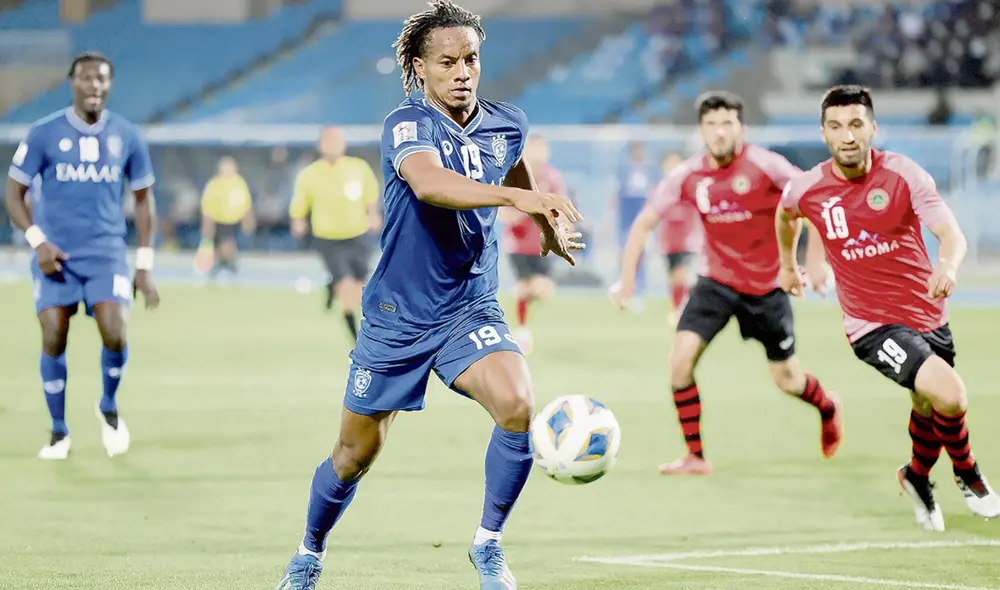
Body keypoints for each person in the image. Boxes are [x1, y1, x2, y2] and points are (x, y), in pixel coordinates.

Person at [275, 2, 583, 589]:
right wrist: (520, 203)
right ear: (420, 68)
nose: (463, 71)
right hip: (399, 314)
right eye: (448, 62)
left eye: (471, 59)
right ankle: (309, 553)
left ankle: (488, 545)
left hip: (470, 305)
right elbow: (430, 184)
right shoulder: (406, 125)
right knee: (353, 455)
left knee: (518, 405)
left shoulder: (506, 121)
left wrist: (543, 222)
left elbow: (514, 166)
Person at [777, 84, 1000, 530]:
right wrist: (788, 266)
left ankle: (916, 477)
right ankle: (969, 473)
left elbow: (951, 235)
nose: (848, 135)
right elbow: (786, 215)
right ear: (824, 133)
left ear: (873, 129)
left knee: (927, 404)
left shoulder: (904, 174)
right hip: (871, 325)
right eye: (836, 126)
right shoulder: (808, 187)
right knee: (951, 394)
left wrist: (949, 267)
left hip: (928, 315)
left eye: (857, 124)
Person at [611, 91, 841, 476]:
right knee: (679, 362)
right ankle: (695, 456)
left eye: (727, 123)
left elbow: (814, 202)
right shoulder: (688, 175)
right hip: (716, 282)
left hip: (768, 287)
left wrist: (813, 264)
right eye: (711, 125)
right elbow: (644, 223)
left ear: (742, 129)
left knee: (788, 380)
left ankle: (827, 406)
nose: (719, 132)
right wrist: (626, 280)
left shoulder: (766, 165)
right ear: (701, 131)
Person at [3, 51, 160, 460]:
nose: (94, 85)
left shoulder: (127, 136)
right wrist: (37, 241)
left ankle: (108, 405)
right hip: (55, 255)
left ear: (109, 85)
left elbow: (144, 201)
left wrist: (144, 265)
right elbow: (13, 193)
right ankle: (58, 431)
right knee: (54, 335)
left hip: (106, 254)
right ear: (72, 82)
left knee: (115, 330)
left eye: (102, 79)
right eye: (86, 78)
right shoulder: (43, 133)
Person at [289, 126, 381, 341]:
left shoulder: (358, 168)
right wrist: (298, 221)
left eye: (336, 140)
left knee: (360, 288)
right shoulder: (310, 174)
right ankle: (357, 341)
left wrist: (373, 215)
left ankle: (333, 285)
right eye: (328, 141)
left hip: (356, 236)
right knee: (347, 289)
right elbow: (300, 202)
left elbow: (370, 195)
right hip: (328, 239)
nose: (332, 145)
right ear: (320, 145)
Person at [498, 133, 566, 354]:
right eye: (534, 148)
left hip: (542, 243)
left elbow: (561, 209)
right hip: (518, 244)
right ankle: (523, 330)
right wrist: (521, 211)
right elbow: (502, 211)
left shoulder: (552, 178)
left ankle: (522, 304)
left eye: (542, 148)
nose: (538, 153)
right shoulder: (514, 174)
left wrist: (563, 229)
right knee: (524, 287)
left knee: (542, 290)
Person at [657, 151, 702, 326]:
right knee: (674, 279)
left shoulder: (690, 187)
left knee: (681, 276)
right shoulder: (662, 189)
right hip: (669, 243)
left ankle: (683, 310)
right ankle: (677, 309)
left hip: (688, 241)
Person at [194, 156, 255, 282]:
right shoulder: (214, 184)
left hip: (234, 221)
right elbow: (207, 206)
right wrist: (207, 224)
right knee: (220, 248)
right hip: (218, 221)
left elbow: (246, 204)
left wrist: (248, 220)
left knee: (227, 246)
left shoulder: (239, 183)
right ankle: (220, 268)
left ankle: (228, 267)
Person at [615, 140, 658, 309]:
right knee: (625, 254)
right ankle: (624, 288)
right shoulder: (624, 172)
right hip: (626, 219)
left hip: (643, 218)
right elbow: (616, 198)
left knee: (641, 254)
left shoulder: (650, 172)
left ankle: (639, 291)